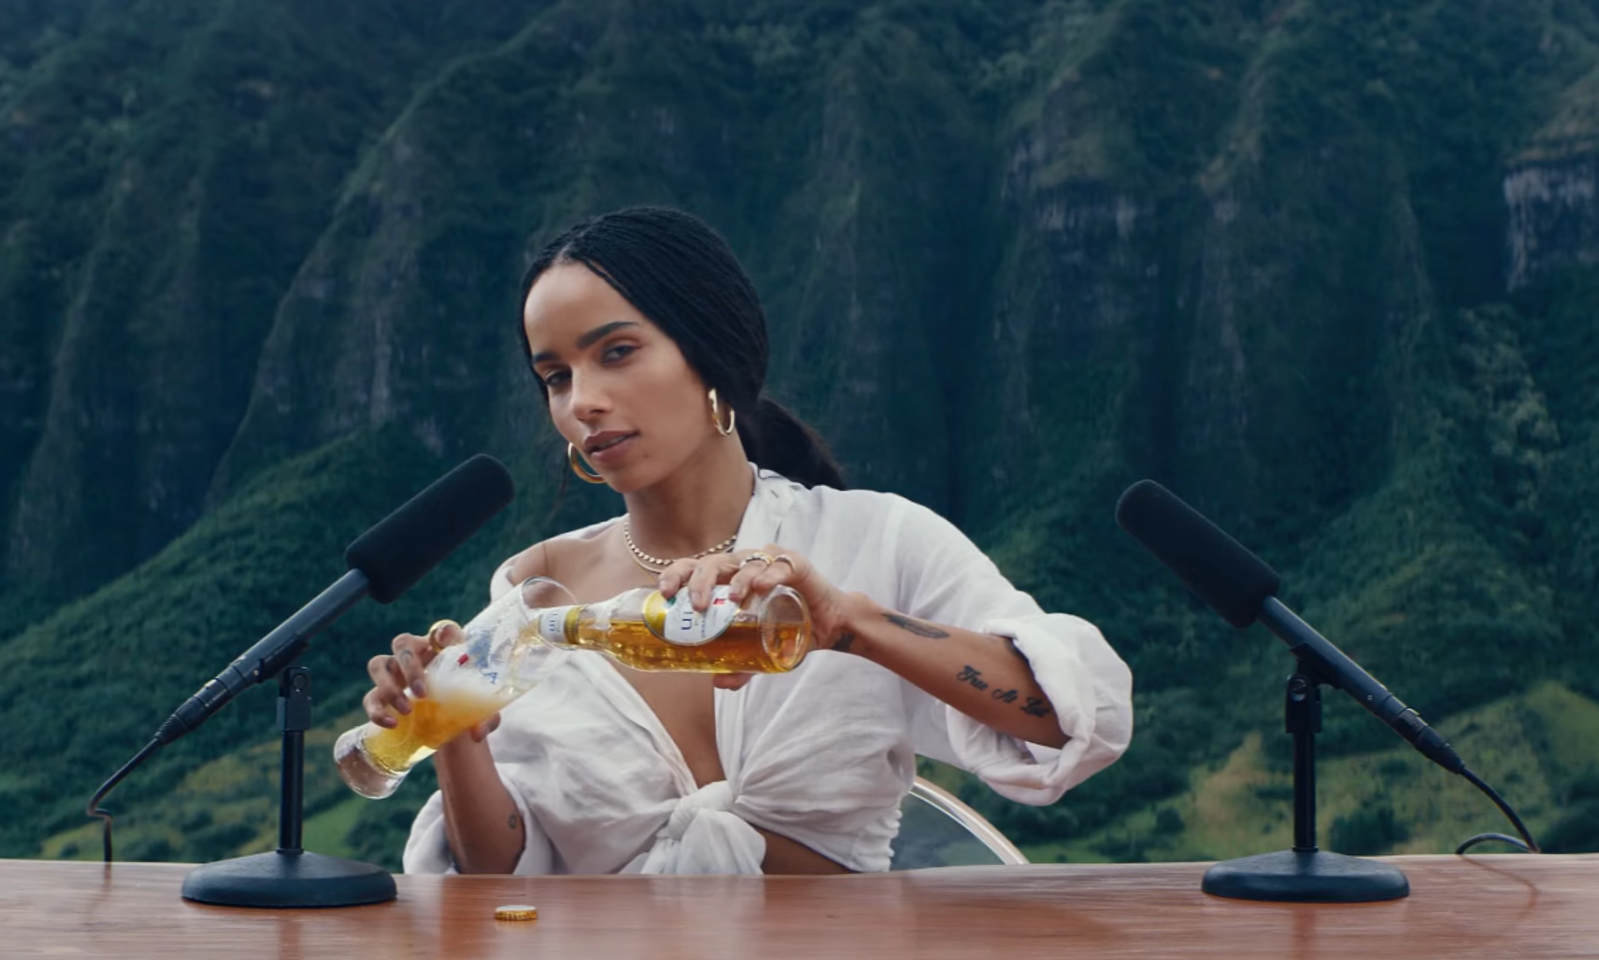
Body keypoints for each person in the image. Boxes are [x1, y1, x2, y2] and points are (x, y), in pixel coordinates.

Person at [362, 206, 1134, 876]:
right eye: (555, 376)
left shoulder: (872, 537)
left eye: (617, 352)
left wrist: (849, 624)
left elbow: (1066, 718)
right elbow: (498, 869)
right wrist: (455, 735)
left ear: (712, 356)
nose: (583, 402)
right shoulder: (535, 590)